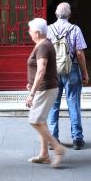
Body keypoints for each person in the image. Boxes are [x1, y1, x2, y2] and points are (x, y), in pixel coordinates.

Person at [46, 2, 89, 149]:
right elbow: (79, 53)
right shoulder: (75, 29)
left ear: (56, 14)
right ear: (69, 14)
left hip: (52, 72)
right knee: (73, 103)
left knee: (53, 105)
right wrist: (85, 73)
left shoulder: (48, 30)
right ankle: (77, 139)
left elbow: (43, 52)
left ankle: (53, 139)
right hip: (72, 69)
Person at [25, 17, 66, 167]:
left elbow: (41, 70)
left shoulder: (43, 46)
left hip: (45, 89)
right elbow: (38, 69)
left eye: (30, 30)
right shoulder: (43, 44)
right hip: (45, 87)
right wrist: (31, 84)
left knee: (34, 120)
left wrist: (32, 93)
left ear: (37, 32)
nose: (29, 33)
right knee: (40, 120)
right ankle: (44, 155)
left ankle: (58, 148)